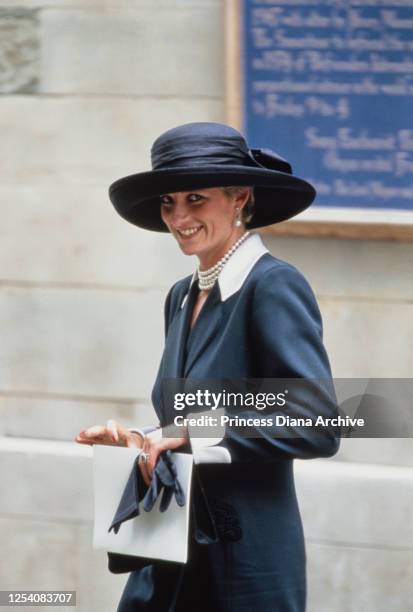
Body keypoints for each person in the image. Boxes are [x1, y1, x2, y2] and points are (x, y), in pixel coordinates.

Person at [76, 122, 340, 611]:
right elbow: (188, 417)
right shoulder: (182, 295)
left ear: (239, 197)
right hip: (167, 550)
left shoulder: (273, 286)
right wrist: (141, 440)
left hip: (245, 562)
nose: (178, 217)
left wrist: (194, 432)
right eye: (168, 202)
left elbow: (317, 423)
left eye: (195, 199)